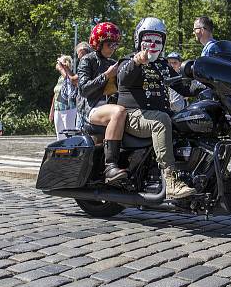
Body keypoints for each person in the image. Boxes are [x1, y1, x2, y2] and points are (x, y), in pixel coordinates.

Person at [117, 17, 196, 200]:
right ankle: (171, 182)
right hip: (133, 115)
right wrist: (137, 62)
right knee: (161, 121)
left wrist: (208, 83)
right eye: (148, 39)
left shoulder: (162, 65)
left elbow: (183, 86)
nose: (153, 44)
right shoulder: (128, 60)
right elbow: (123, 78)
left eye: (157, 40)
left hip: (157, 115)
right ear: (139, 40)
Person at [77, 21, 128, 183]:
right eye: (110, 44)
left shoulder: (114, 63)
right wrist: (106, 75)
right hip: (91, 109)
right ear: (98, 43)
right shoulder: (87, 60)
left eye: (115, 44)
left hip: (108, 109)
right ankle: (110, 166)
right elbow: (84, 89)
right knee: (119, 112)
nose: (113, 47)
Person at [50, 55, 77, 139]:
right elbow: (56, 95)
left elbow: (69, 81)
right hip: (58, 109)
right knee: (60, 136)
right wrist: (52, 110)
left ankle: (71, 151)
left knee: (69, 135)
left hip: (69, 109)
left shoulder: (71, 76)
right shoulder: (60, 78)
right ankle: (61, 151)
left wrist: (61, 68)